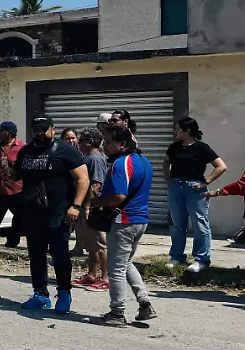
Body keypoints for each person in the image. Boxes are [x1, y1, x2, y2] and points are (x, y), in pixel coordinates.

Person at [13, 115, 89, 313]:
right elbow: (19, 175)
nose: (39, 133)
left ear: (53, 130)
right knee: (36, 255)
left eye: (43, 129)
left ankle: (64, 293)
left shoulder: (66, 151)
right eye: (36, 129)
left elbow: (83, 179)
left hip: (58, 212)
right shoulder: (26, 152)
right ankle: (40, 294)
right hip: (33, 213)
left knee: (60, 255)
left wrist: (76, 206)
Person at [89, 127, 157, 326]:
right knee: (125, 263)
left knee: (115, 268)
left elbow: (119, 196)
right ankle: (145, 303)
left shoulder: (120, 164)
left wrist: (93, 203)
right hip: (140, 220)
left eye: (108, 142)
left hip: (124, 222)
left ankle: (117, 313)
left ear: (122, 145)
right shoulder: (143, 161)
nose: (104, 146)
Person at [164, 117, 226, 273]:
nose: (175, 132)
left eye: (178, 129)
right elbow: (166, 162)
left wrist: (206, 182)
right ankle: (177, 256)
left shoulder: (201, 148)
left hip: (194, 188)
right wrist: (169, 180)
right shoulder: (174, 147)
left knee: (199, 223)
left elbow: (221, 166)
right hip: (176, 187)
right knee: (177, 224)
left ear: (187, 131)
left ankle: (201, 259)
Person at [72, 128, 109, 290]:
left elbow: (96, 185)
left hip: (93, 207)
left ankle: (106, 277)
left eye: (81, 141)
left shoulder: (95, 159)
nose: (78, 144)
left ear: (89, 142)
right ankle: (92, 274)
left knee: (99, 244)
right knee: (90, 244)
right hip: (82, 206)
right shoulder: (87, 157)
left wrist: (88, 205)